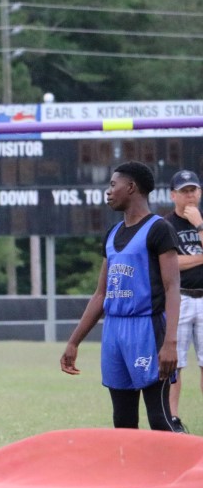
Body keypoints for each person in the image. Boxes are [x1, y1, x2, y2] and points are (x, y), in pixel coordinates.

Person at [61, 161, 180, 431]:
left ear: (131, 187)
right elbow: (100, 294)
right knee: (123, 421)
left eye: (113, 184)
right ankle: (129, 463)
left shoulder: (159, 229)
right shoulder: (112, 234)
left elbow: (172, 288)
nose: (108, 191)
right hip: (114, 331)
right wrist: (73, 342)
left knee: (160, 419)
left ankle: (187, 459)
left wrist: (171, 342)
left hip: (147, 329)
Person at [164, 169, 203, 434]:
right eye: (184, 191)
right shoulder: (165, 225)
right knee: (174, 364)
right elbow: (170, 263)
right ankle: (173, 420)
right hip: (180, 298)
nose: (189, 195)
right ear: (173, 195)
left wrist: (199, 225)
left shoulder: (202, 220)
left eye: (193, 190)